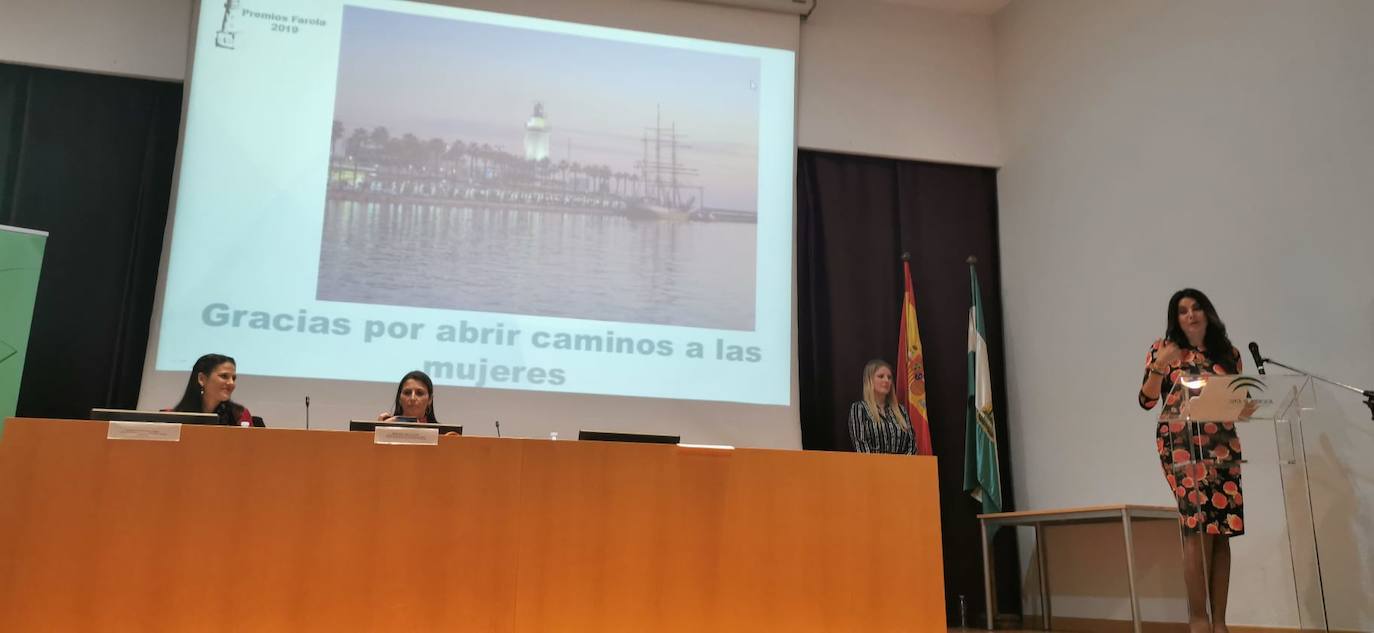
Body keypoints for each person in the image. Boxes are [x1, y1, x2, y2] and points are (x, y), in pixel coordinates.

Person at [1138, 288, 1243, 633]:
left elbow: (1238, 403)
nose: (1190, 315)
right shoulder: (1163, 350)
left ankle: (1221, 623)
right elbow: (1147, 400)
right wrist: (1160, 365)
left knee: (1221, 532)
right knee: (1196, 530)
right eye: (1182, 311)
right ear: (1176, 318)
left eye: (1196, 308)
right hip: (1181, 447)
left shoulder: (1228, 354)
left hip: (1222, 447)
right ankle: (1199, 621)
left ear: (1207, 312)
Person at [848, 359, 915, 454]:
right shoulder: (859, 409)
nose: (886, 380)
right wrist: (879, 466)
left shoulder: (901, 410)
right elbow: (861, 444)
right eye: (881, 376)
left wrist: (902, 466)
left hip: (902, 467)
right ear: (869, 380)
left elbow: (911, 444)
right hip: (871, 467)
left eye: (889, 377)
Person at [172, 353, 258, 426]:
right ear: (202, 379)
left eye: (233, 378)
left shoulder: (239, 415)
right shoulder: (173, 417)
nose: (231, 383)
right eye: (224, 376)